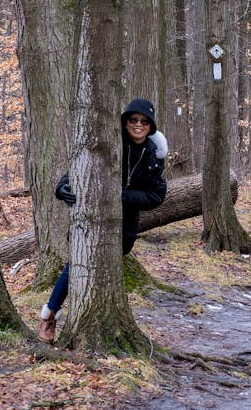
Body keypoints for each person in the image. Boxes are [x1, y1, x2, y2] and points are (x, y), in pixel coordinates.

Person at [39, 98, 167, 341]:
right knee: (76, 264)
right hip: (91, 216)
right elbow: (78, 169)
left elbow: (157, 195)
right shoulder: (109, 142)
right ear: (125, 122)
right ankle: (48, 317)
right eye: (133, 120)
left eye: (144, 121)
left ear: (150, 126)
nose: (138, 125)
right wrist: (62, 187)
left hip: (125, 224)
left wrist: (120, 196)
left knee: (102, 268)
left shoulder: (154, 154)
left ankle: (102, 320)